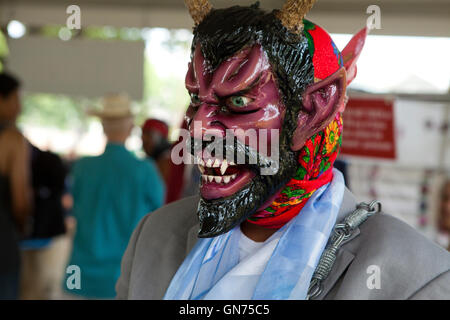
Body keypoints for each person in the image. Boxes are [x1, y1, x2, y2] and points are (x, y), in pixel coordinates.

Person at [116, 1, 450, 300]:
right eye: (195, 101)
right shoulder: (153, 235)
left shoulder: (419, 277)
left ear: (314, 111)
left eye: (239, 101)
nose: (197, 129)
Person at [64, 93, 165, 299]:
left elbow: (74, 206)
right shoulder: (144, 170)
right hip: (124, 270)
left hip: (80, 269)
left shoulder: (83, 167)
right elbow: (160, 213)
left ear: (102, 127)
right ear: (130, 129)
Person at [0, 72, 32, 299]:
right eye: (15, 99)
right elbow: (20, 200)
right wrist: (23, 226)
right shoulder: (12, 139)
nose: (19, 107)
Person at [141, 118, 171, 185]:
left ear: (161, 138)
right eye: (143, 134)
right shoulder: (150, 161)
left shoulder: (166, 160)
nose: (143, 139)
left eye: (148, 134)